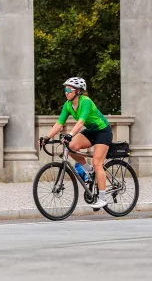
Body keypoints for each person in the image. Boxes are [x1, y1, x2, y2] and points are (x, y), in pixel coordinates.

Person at [40, 77, 112, 209]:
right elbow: (59, 123)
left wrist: (70, 134)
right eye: (65, 90)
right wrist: (47, 137)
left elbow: (81, 122)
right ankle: (88, 171)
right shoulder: (68, 105)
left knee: (97, 163)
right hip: (91, 131)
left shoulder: (86, 102)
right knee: (71, 146)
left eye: (68, 89)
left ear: (78, 91)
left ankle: (102, 199)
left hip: (103, 131)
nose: (66, 92)